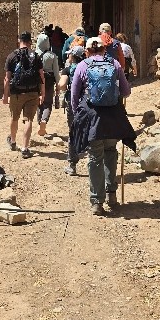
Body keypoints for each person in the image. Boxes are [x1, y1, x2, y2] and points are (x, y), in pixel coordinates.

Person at [70, 36, 135, 216]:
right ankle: (111, 195)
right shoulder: (114, 64)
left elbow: (74, 95)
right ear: (104, 50)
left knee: (95, 158)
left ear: (88, 51)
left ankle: (97, 202)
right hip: (112, 116)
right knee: (111, 153)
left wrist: (78, 116)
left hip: (92, 117)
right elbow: (126, 91)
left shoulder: (83, 66)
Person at [3, 31, 45, 159]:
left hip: (17, 92)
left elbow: (7, 78)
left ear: (19, 41)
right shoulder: (36, 56)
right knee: (28, 120)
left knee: (14, 118)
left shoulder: (12, 56)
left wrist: (5, 95)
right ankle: (25, 148)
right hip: (32, 92)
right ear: (30, 42)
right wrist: (42, 93)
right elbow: (42, 76)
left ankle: (14, 142)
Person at [57, 45, 86, 176]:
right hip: (88, 103)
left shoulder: (68, 69)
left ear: (73, 56)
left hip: (73, 104)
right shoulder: (88, 66)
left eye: (69, 54)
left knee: (73, 132)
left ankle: (72, 164)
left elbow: (62, 86)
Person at [35, 31, 60, 137]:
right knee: (48, 103)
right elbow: (56, 72)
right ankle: (44, 120)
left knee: (38, 103)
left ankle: (39, 120)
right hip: (49, 81)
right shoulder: (52, 56)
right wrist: (58, 85)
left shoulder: (34, 55)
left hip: (36, 81)